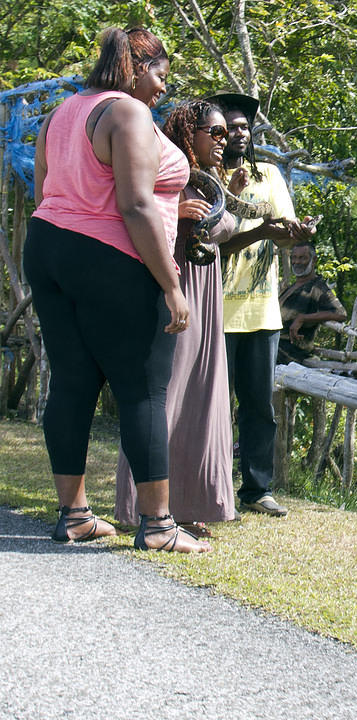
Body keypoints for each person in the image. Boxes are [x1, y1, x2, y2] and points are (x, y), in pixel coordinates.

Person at [24, 27, 208, 552]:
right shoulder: (126, 113)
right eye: (160, 76)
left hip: (48, 247)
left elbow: (45, 192)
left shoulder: (61, 114)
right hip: (111, 257)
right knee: (143, 388)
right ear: (136, 68)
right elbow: (135, 203)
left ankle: (75, 515)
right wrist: (171, 286)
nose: (163, 90)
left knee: (72, 381)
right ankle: (158, 526)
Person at [114, 100, 239, 537]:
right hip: (173, 295)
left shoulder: (208, 184)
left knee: (201, 398)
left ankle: (189, 505)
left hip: (206, 300)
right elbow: (130, 210)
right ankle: (141, 507)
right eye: (216, 133)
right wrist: (176, 215)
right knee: (163, 399)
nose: (224, 141)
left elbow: (228, 227)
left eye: (227, 133)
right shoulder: (166, 172)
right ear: (191, 132)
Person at [208, 90, 315, 517]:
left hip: (262, 312)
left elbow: (284, 235)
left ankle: (257, 488)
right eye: (228, 126)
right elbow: (214, 242)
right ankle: (211, 486)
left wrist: (298, 232)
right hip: (215, 311)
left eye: (243, 126)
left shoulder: (269, 174)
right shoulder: (205, 175)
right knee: (213, 406)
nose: (237, 132)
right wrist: (262, 231)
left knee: (258, 406)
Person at [277, 241, 347, 365]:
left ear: (313, 260)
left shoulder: (317, 287)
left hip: (289, 353)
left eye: (302, 258)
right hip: (274, 346)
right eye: (294, 257)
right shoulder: (291, 287)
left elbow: (341, 314)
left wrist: (303, 318)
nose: (297, 262)